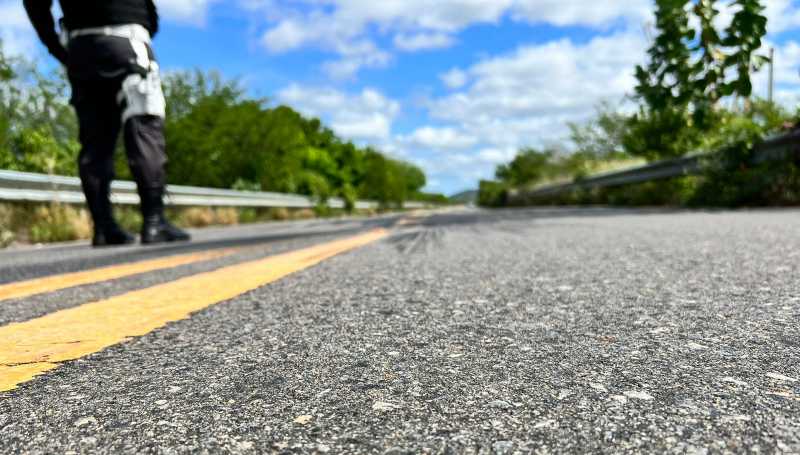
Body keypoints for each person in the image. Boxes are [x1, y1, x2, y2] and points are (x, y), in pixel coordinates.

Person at [23, 0, 190, 246]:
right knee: (144, 129)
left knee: (95, 143)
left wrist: (57, 48)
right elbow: (150, 12)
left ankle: (103, 227)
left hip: (81, 50)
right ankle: (154, 221)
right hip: (128, 43)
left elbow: (35, 5)